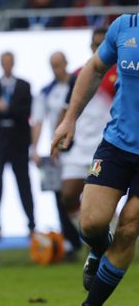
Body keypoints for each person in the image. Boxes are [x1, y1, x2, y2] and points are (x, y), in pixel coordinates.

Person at [51, 12, 139, 306]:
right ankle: (98, 249)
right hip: (117, 145)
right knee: (91, 223)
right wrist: (70, 118)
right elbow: (94, 68)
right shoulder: (124, 27)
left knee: (129, 226)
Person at [57, 28, 116, 261]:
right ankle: (94, 240)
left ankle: (109, 241)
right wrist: (59, 136)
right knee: (68, 196)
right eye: (95, 44)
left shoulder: (121, 72)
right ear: (90, 46)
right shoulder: (80, 74)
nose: (99, 48)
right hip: (79, 146)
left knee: (107, 200)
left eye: (103, 44)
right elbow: (66, 108)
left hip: (109, 145)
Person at [31, 51, 80, 257]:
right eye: (53, 65)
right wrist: (34, 148)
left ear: (66, 63)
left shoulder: (80, 86)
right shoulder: (46, 92)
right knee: (61, 195)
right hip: (61, 151)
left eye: (59, 64)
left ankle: (100, 234)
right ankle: (72, 240)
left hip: (85, 146)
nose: (57, 69)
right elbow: (38, 121)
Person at [0, 51, 34, 239]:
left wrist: (7, 108)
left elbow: (26, 112)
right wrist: (10, 111)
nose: (6, 65)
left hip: (19, 141)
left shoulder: (24, 85)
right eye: (3, 62)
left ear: (13, 63)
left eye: (9, 62)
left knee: (24, 182)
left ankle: (32, 223)